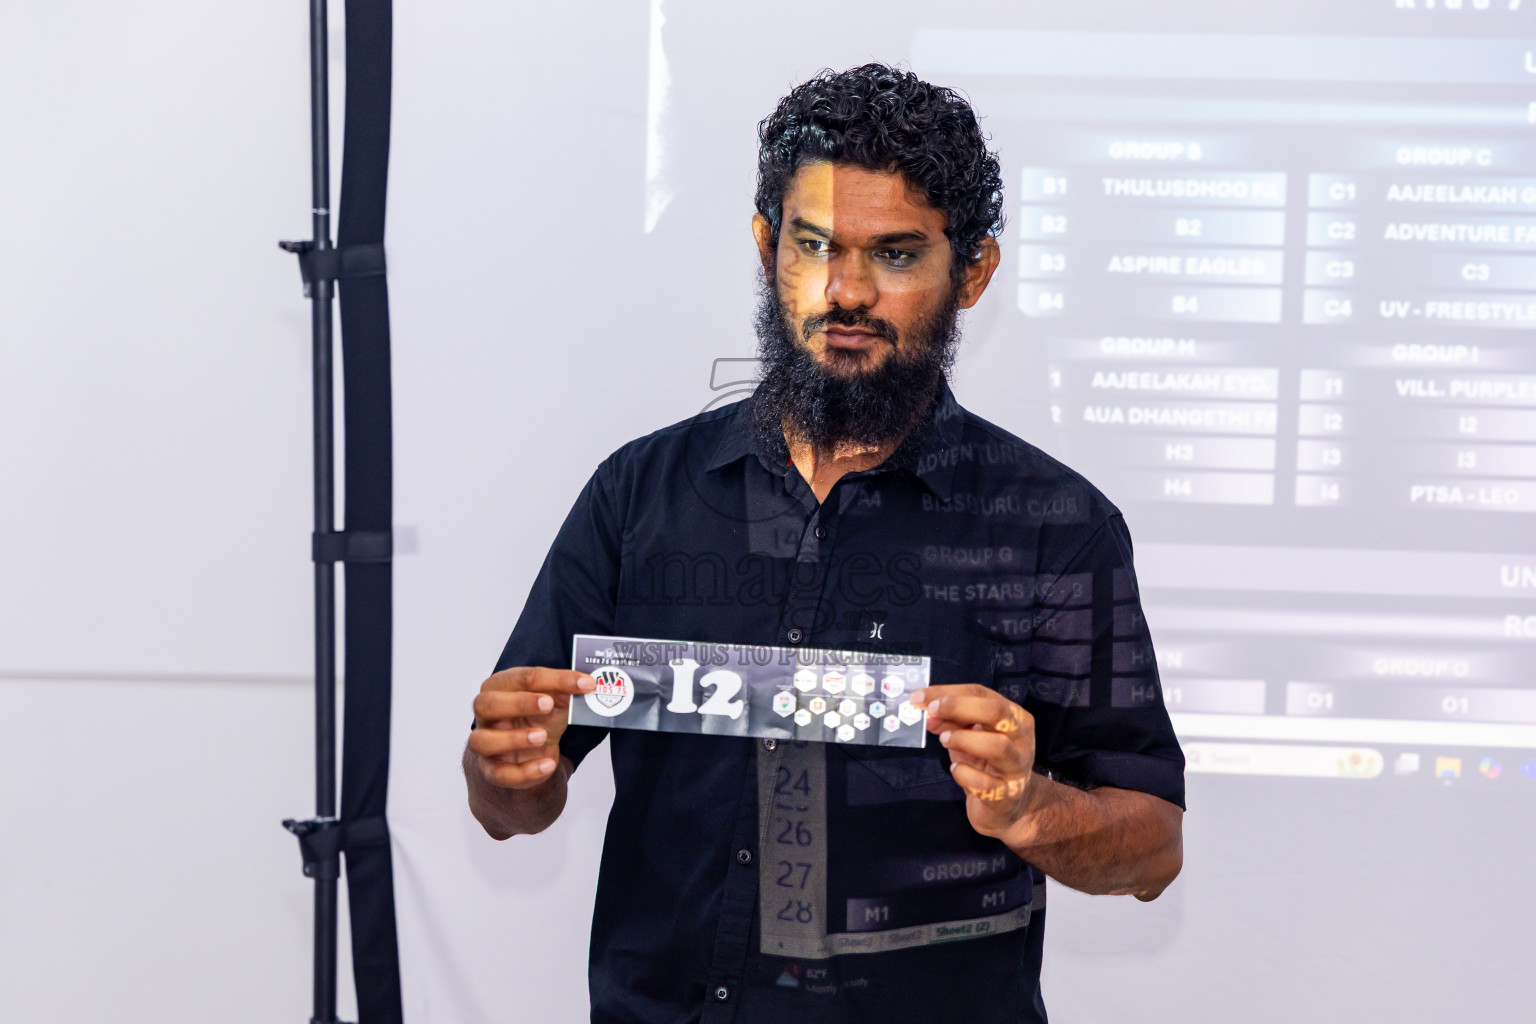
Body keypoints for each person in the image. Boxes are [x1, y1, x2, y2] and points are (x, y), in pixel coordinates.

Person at [464, 63, 1184, 1023]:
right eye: (814, 247)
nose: (846, 292)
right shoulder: (639, 494)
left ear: (972, 273)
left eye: (896, 255)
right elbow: (514, 801)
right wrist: (505, 771)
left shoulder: (1056, 529)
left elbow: (1152, 849)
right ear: (768, 248)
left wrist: (1029, 809)